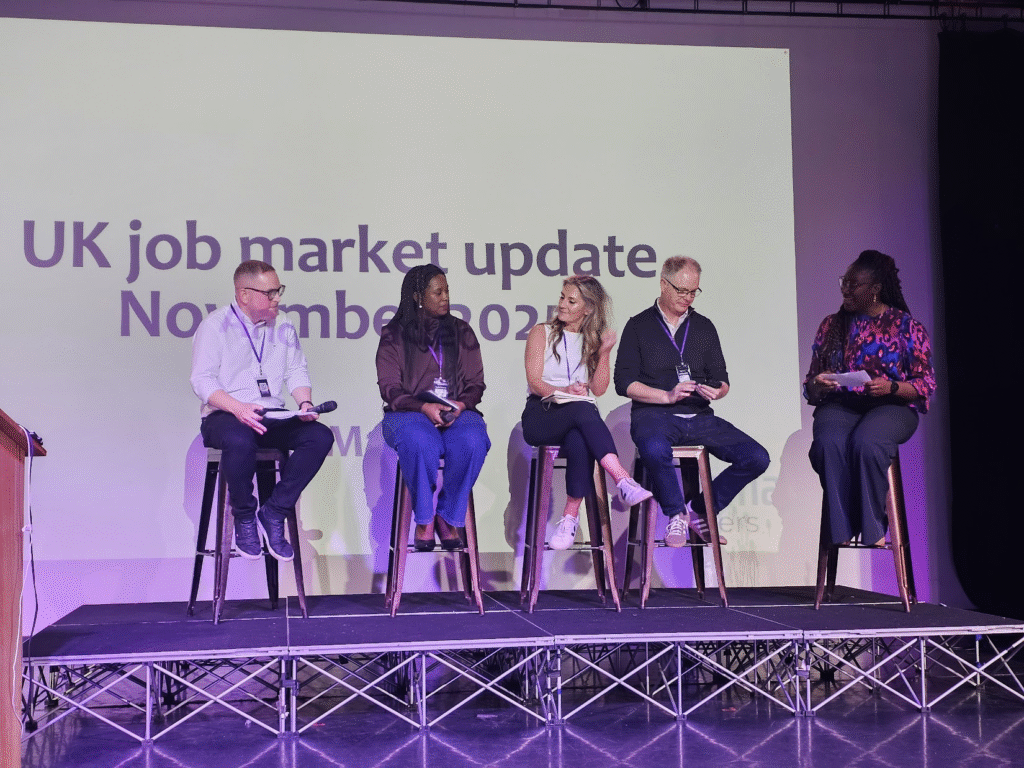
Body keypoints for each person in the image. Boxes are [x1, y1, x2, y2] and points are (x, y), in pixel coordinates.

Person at [614, 256, 770, 547]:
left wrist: (719, 390)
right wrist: (666, 396)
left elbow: (721, 378)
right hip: (654, 414)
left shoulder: (704, 327)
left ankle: (701, 510)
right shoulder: (638, 326)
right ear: (663, 284)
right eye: (681, 290)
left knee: (756, 457)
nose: (687, 298)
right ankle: (675, 515)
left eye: (693, 292)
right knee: (654, 447)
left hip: (698, 415)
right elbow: (624, 383)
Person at [190, 261, 334, 561]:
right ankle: (245, 516)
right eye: (269, 293)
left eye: (278, 291)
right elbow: (202, 380)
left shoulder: (283, 325)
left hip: (272, 415)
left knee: (319, 436)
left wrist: (304, 404)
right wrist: (238, 408)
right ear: (244, 294)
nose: (277, 299)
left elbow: (297, 370)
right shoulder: (215, 326)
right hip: (226, 415)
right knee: (239, 440)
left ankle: (274, 511)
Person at [804, 250, 935, 546]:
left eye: (853, 284)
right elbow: (810, 384)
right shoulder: (831, 325)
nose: (845, 289)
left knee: (867, 442)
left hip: (891, 406)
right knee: (828, 444)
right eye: (843, 282)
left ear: (875, 289)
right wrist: (819, 384)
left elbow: (925, 383)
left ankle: (873, 526)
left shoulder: (906, 327)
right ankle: (841, 529)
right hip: (840, 403)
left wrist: (891, 387)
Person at [522, 276, 653, 550]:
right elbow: (535, 382)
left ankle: (568, 519)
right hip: (542, 415)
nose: (562, 305)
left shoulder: (590, 340)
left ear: (588, 309)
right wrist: (566, 391)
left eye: (571, 301)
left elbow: (599, 388)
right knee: (582, 407)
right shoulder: (541, 332)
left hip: (577, 419)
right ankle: (622, 479)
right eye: (562, 298)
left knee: (581, 438)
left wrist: (604, 352)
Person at [376, 264, 491, 551]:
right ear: (418, 296)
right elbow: (390, 389)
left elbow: (476, 383)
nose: (445, 297)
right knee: (419, 441)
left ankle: (447, 515)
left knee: (474, 440)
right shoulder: (394, 334)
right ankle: (424, 519)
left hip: (457, 412)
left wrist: (460, 404)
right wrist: (424, 407)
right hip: (408, 414)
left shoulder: (461, 331)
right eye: (437, 292)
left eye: (447, 291)